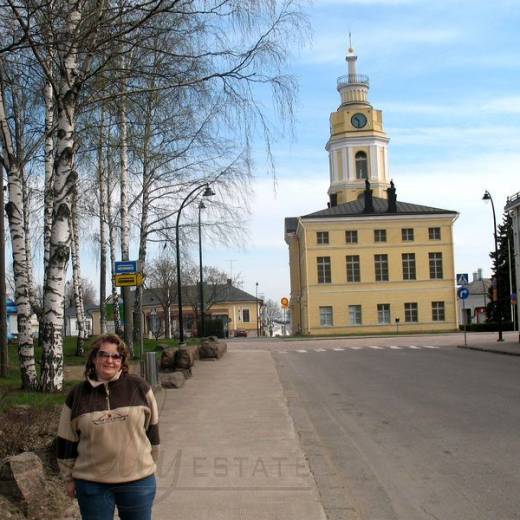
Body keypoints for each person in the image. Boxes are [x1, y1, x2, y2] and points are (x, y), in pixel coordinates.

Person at [57, 334, 160, 520]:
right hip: (92, 484)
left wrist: (149, 464)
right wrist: (69, 478)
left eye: (116, 356)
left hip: (137, 481)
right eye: (104, 355)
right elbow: (66, 439)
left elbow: (152, 431)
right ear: (94, 358)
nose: (109, 360)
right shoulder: (77, 395)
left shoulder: (139, 387)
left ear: (122, 361)